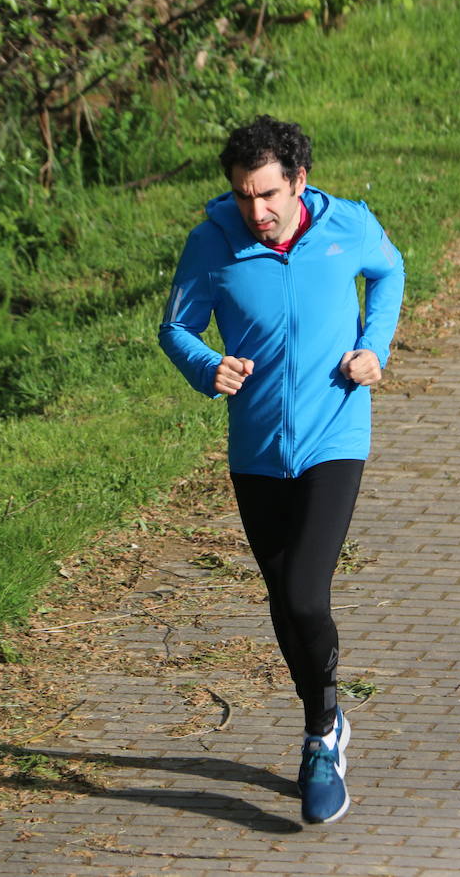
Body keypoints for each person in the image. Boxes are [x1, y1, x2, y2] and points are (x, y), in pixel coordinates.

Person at [158, 115, 404, 825]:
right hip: (257, 450)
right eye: (242, 195)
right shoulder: (212, 244)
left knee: (303, 591)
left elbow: (389, 270)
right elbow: (175, 327)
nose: (255, 210)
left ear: (299, 181)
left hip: (335, 434)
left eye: (267, 194)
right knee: (282, 600)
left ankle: (324, 733)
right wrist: (210, 367)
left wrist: (373, 346)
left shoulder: (346, 225)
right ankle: (321, 725)